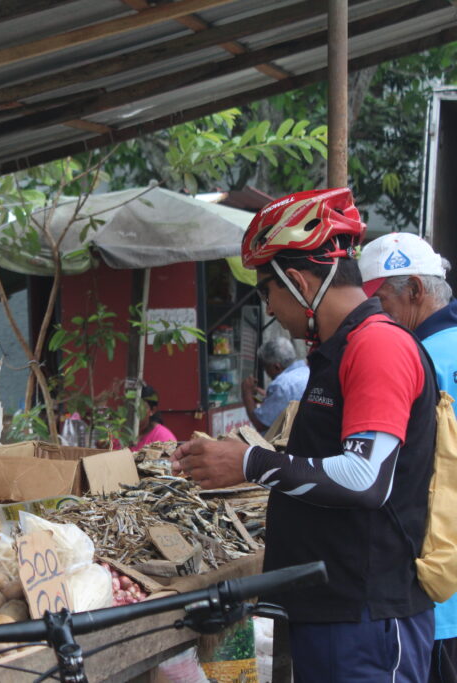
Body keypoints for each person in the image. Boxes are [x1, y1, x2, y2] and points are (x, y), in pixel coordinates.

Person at [171, 188, 437, 681]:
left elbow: (364, 479)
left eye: (268, 292)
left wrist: (249, 463)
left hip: (365, 616)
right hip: (332, 610)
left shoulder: (377, 346)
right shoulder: (338, 349)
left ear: (296, 282)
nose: (271, 309)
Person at [359, 231, 457, 683]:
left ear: (415, 291)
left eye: (379, 303)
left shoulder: (416, 358)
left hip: (437, 591)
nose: (373, 318)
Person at [241, 336, 309, 432]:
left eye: (266, 368)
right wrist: (269, 396)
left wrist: (246, 393)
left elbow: (261, 424)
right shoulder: (307, 371)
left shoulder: (281, 385)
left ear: (276, 367)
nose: (267, 373)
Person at [133, 385, 176, 449]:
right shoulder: (117, 435)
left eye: (140, 408)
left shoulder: (164, 438)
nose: (134, 412)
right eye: (130, 406)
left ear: (152, 410)